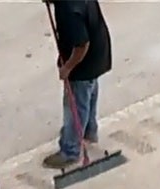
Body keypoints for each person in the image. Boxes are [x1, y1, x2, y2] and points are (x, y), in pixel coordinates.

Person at [41, 0, 113, 170]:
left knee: (75, 104)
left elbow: (81, 45)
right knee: (89, 90)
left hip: (84, 60)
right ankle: (89, 132)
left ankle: (70, 151)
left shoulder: (68, 9)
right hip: (98, 52)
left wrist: (68, 67)